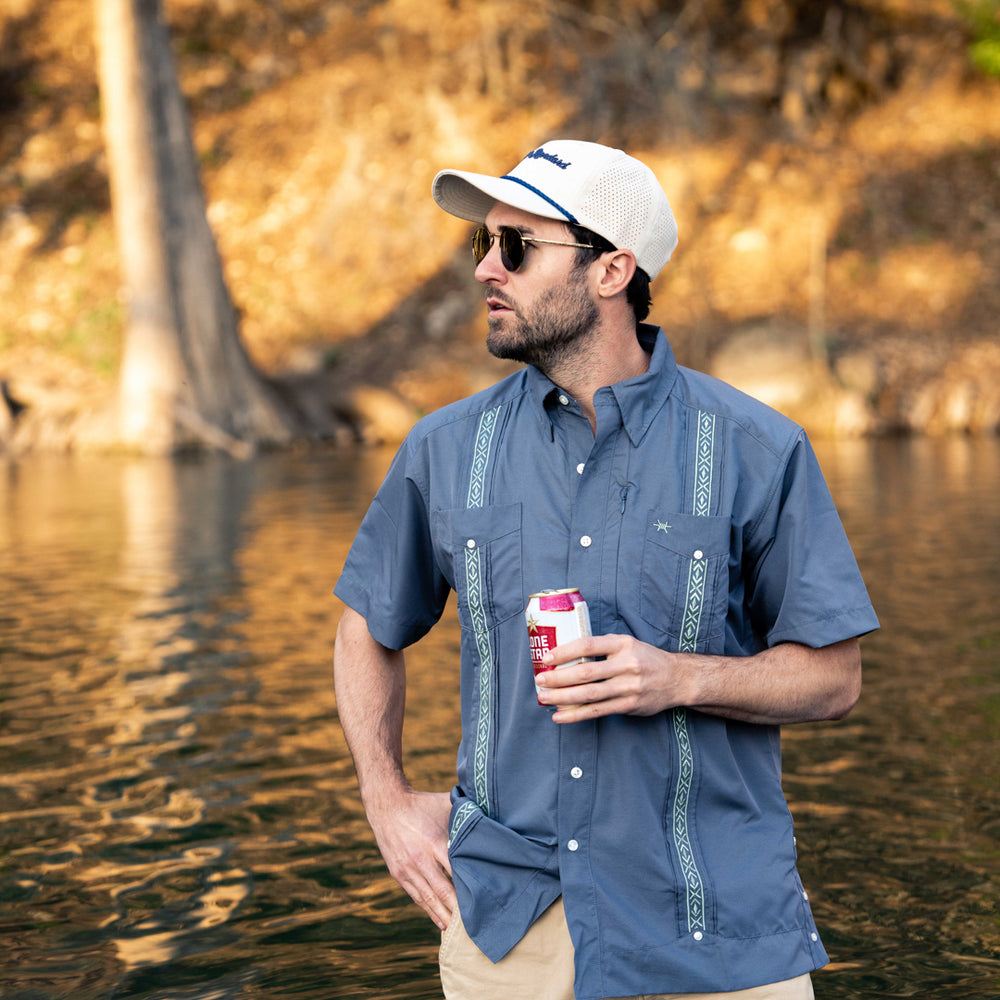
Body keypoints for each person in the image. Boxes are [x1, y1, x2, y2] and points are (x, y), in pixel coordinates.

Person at [333, 139, 879, 1000]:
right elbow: (368, 626)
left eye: (516, 247)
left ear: (612, 271)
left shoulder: (756, 449)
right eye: (483, 244)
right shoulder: (442, 451)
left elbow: (835, 679)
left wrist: (677, 678)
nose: (486, 270)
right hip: (512, 934)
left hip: (717, 928)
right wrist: (387, 802)